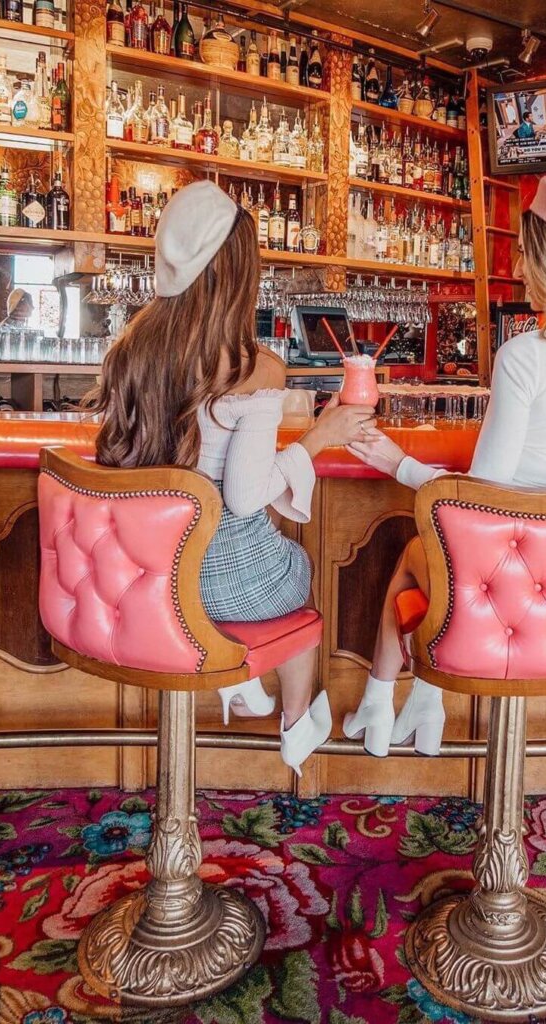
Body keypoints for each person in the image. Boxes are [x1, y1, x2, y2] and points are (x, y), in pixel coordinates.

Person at [343, 176, 546, 757]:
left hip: (503, 595)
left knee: (418, 552)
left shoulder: (524, 356)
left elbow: (481, 502)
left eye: (525, 252)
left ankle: (386, 702)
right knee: (425, 557)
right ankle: (413, 704)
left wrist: (400, 464)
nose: (518, 268)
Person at [89, 180, 376, 776]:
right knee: (296, 567)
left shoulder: (129, 351)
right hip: (222, 588)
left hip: (142, 580)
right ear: (237, 273)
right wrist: (321, 437)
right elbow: (246, 497)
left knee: (268, 561)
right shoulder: (255, 367)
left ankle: (240, 686)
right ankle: (295, 719)